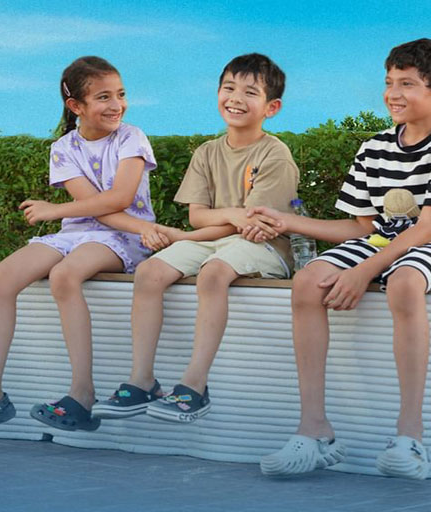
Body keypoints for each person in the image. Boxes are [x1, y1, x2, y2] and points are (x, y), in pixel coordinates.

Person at [248, 39, 431, 479]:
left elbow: (428, 229)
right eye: (389, 82)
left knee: (405, 281)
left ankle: (411, 437)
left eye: (407, 84)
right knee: (308, 282)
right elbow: (363, 229)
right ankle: (314, 431)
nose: (393, 93)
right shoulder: (374, 147)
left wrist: (363, 273)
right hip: (383, 243)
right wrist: (288, 222)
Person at [0, 56, 170, 436]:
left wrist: (55, 210)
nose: (117, 105)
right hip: (79, 231)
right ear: (75, 106)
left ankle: (81, 396)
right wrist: (64, 215)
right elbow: (94, 207)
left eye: (120, 94)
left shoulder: (131, 137)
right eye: (103, 97)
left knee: (65, 275)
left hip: (125, 236)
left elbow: (118, 200)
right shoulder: (63, 148)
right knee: (1, 277)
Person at [96, 53, 299, 423]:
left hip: (264, 246)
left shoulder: (275, 154)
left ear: (272, 107)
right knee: (149, 273)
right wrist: (225, 216)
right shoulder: (207, 152)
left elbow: (253, 225)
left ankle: (194, 385)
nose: (235, 98)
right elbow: (199, 215)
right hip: (210, 239)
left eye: (250, 92)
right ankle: (142, 381)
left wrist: (188, 234)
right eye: (229, 88)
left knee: (213, 272)